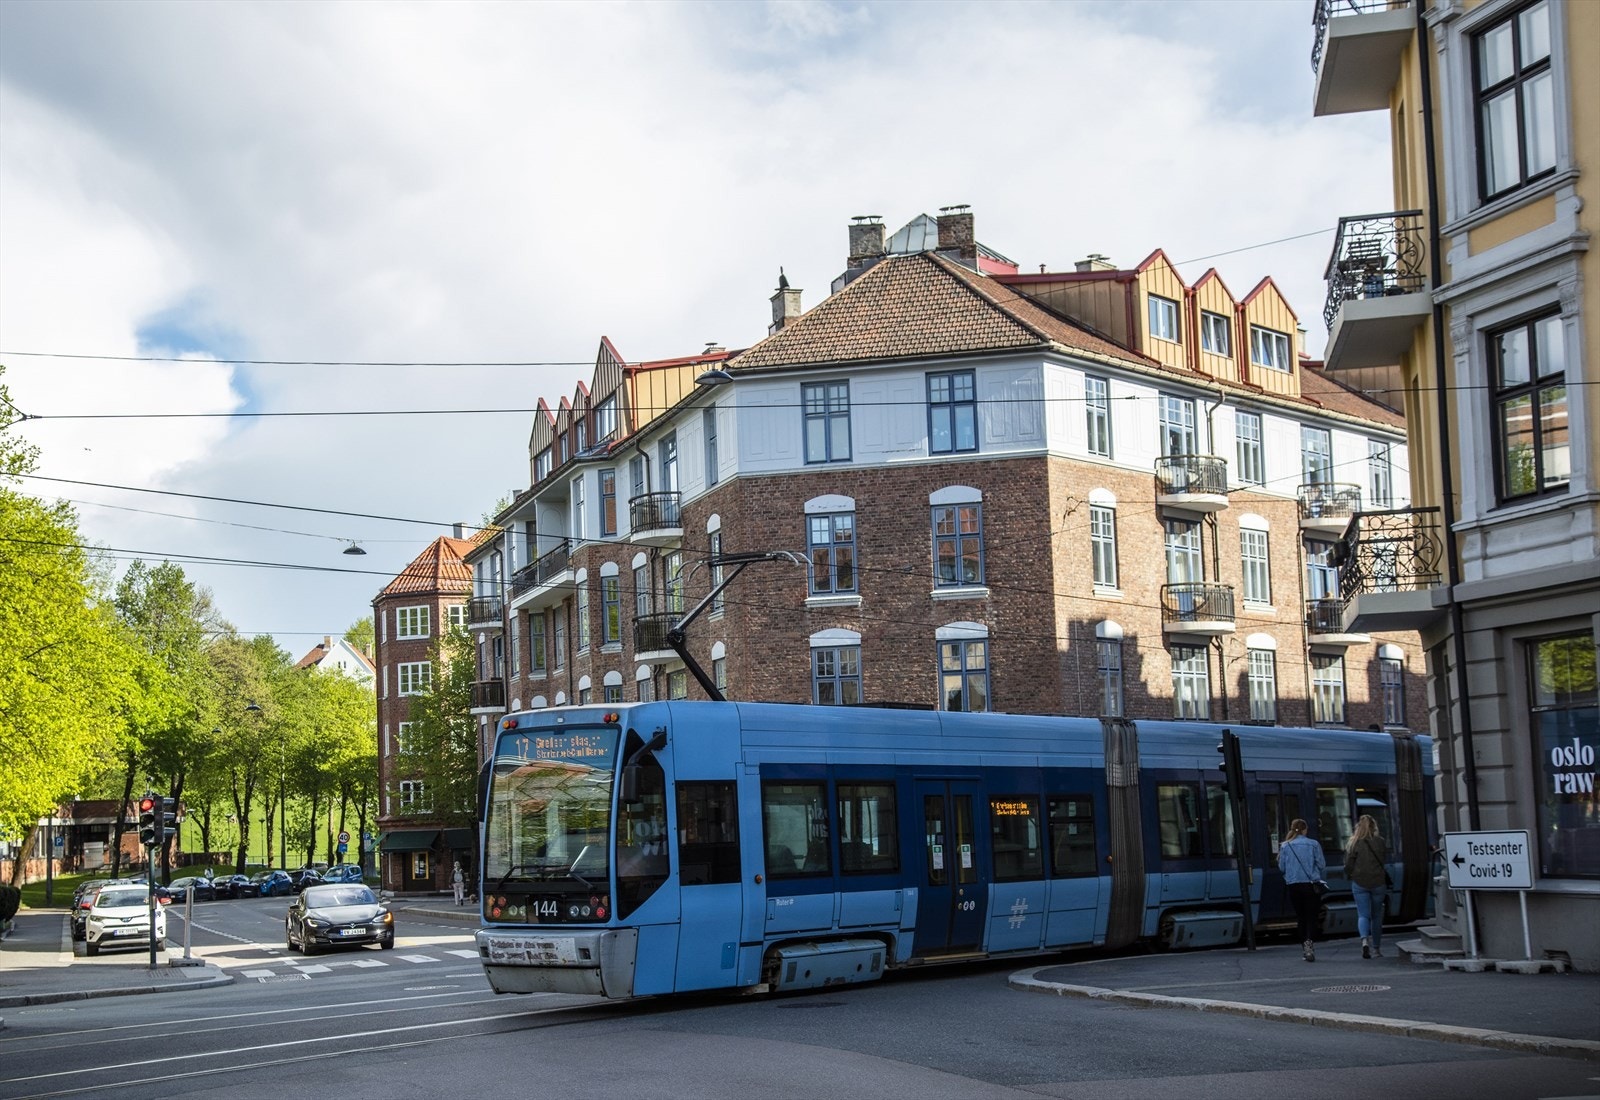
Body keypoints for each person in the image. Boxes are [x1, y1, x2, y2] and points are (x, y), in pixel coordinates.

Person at [1277, 818, 1325, 962]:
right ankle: (1309, 944)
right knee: (1311, 917)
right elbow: (1321, 865)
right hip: (1311, 885)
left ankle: (1305, 949)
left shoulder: (1285, 846)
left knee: (1301, 917)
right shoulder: (1313, 844)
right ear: (1305, 829)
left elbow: (1282, 868)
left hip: (1293, 885)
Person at [1344, 814, 1389, 958]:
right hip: (1378, 882)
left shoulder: (1353, 842)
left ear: (1358, 826)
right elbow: (1383, 860)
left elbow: (1348, 865)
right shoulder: (1380, 841)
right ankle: (1376, 949)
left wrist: (1351, 874)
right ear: (1374, 826)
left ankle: (1364, 942)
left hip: (1359, 882)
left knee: (1363, 914)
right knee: (1376, 916)